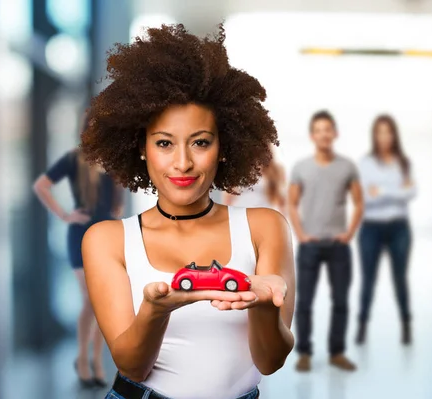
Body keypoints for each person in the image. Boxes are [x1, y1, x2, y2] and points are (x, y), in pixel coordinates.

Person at [79, 24, 296, 399]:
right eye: (164, 143)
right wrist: (155, 309)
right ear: (141, 147)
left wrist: (263, 304)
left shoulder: (264, 227)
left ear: (223, 147)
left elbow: (269, 362)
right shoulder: (107, 240)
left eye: (200, 142)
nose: (182, 162)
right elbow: (132, 365)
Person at [33, 121, 125, 388]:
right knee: (91, 301)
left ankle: (95, 362)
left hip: (106, 235)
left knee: (101, 304)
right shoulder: (74, 159)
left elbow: (116, 199)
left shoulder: (113, 160)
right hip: (81, 235)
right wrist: (64, 215)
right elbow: (41, 186)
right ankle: (84, 361)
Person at [288, 110, 364, 372]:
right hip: (310, 246)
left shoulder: (347, 166)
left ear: (335, 133)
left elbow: (359, 201)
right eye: (318, 130)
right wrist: (301, 235)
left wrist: (349, 234)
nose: (323, 134)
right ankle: (305, 353)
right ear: (312, 136)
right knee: (305, 302)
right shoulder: (301, 167)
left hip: (338, 246)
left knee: (341, 302)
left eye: (327, 129)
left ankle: (337, 352)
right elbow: (292, 203)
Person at [355, 114, 416, 346]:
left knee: (400, 277)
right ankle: (362, 326)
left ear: (394, 135)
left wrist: (383, 191)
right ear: (375, 135)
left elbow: (412, 192)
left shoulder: (403, 162)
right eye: (380, 132)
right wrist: (396, 191)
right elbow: (367, 198)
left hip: (399, 227)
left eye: (388, 132)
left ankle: (406, 324)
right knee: (368, 279)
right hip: (371, 227)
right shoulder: (366, 163)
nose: (384, 137)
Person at [222, 144, 286, 212]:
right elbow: (228, 197)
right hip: (240, 214)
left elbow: (281, 200)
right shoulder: (238, 168)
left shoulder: (275, 169)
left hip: (263, 215)